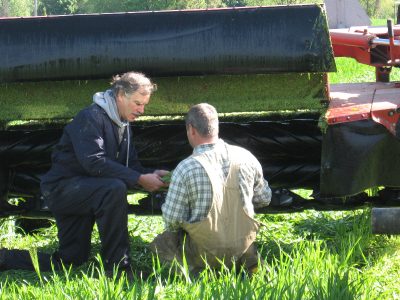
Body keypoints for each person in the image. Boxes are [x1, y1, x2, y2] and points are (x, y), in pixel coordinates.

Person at [0, 71, 168, 277]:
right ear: (121, 95)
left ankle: (4, 258)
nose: (141, 110)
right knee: (113, 189)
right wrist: (139, 179)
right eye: (137, 103)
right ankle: (118, 269)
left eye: (144, 105)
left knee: (70, 260)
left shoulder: (123, 124)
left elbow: (131, 166)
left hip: (87, 192)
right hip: (64, 190)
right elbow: (94, 163)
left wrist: (152, 175)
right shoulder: (90, 117)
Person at [150, 103, 271, 275]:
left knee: (163, 242)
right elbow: (264, 199)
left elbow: (172, 220)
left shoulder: (185, 168)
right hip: (242, 249)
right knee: (244, 248)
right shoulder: (247, 157)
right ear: (216, 127)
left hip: (205, 253)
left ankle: (193, 271)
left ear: (191, 129)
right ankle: (249, 266)